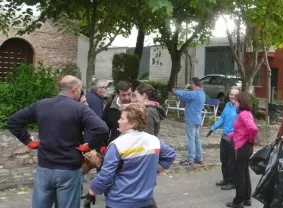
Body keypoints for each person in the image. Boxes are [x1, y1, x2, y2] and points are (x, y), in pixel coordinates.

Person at [7, 75, 109, 208]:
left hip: (45, 168)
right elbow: (102, 129)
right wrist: (88, 146)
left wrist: (29, 141)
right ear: (75, 89)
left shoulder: (41, 104)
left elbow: (13, 121)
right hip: (68, 170)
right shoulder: (79, 108)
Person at [87, 103, 176, 208]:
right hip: (146, 201)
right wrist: (152, 171)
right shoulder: (154, 141)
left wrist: (92, 191)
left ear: (133, 123)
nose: (118, 121)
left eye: (122, 119)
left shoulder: (117, 145)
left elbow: (106, 175)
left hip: (120, 201)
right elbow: (170, 155)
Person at [225, 92, 258, 208]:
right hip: (244, 146)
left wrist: (251, 140)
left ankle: (238, 201)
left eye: (237, 100)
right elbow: (242, 130)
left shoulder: (243, 114)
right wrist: (231, 135)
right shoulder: (246, 113)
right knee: (244, 173)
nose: (235, 101)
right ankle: (246, 199)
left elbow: (253, 129)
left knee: (238, 175)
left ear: (241, 102)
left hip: (241, 147)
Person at [207, 86, 240, 190]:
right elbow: (222, 119)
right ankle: (226, 179)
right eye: (231, 94)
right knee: (224, 160)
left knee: (231, 161)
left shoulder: (240, 108)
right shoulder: (227, 105)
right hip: (224, 136)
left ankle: (232, 182)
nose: (233, 96)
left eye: (235, 94)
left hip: (234, 138)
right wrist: (213, 128)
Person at [171, 77, 206, 166]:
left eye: (191, 84)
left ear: (193, 84)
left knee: (191, 140)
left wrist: (173, 91)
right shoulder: (202, 93)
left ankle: (190, 159)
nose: (190, 86)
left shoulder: (194, 93)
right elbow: (186, 97)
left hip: (191, 119)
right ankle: (199, 158)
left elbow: (184, 93)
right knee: (197, 139)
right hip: (198, 119)